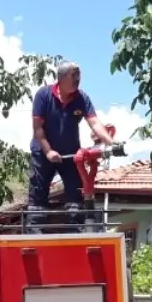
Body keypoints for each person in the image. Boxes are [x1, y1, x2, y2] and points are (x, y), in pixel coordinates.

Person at [28, 61, 116, 228]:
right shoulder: (43, 95)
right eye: (73, 75)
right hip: (43, 152)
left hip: (70, 154)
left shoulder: (81, 98)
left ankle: (74, 230)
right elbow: (38, 129)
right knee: (38, 194)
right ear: (61, 78)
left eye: (79, 75)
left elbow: (95, 123)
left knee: (75, 194)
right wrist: (48, 152)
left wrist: (111, 142)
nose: (77, 79)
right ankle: (35, 232)